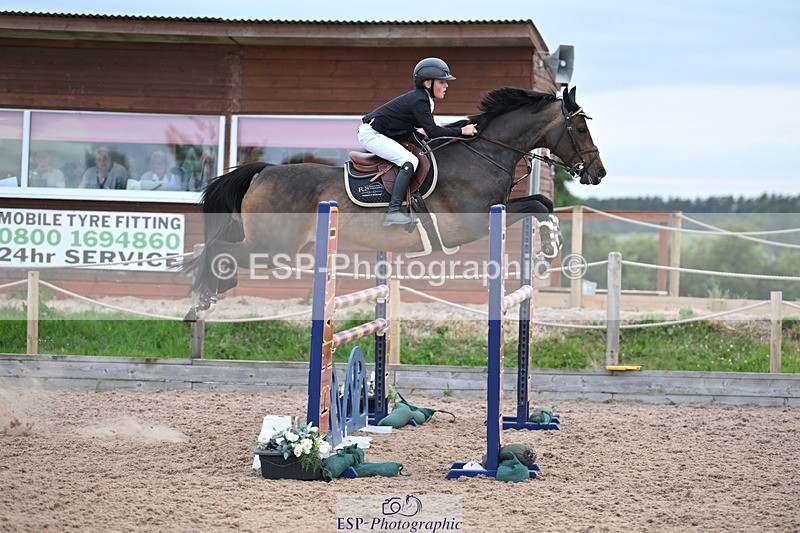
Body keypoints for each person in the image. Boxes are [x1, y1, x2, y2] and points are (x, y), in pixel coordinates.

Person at [359, 57, 479, 226]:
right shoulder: (419, 100)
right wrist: (462, 131)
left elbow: (429, 130)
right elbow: (433, 131)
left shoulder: (424, 99)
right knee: (410, 161)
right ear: (427, 83)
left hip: (385, 133)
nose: (446, 86)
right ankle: (393, 212)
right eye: (442, 82)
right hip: (371, 134)